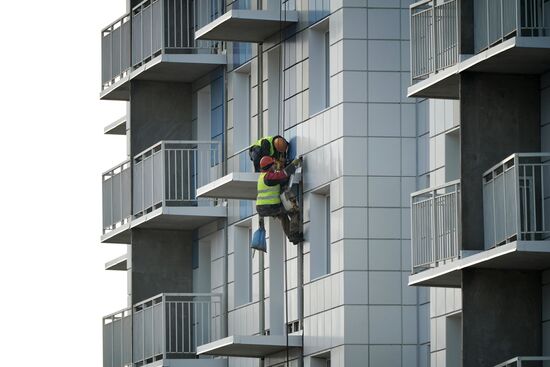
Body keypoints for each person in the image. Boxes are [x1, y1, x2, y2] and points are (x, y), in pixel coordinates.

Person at [256, 156, 303, 244]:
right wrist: (293, 165)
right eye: (273, 165)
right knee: (294, 211)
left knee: (283, 216)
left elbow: (280, 180)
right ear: (269, 166)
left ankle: (292, 236)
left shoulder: (262, 177)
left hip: (263, 207)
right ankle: (294, 235)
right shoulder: (268, 176)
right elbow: (282, 175)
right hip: (270, 206)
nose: (275, 166)